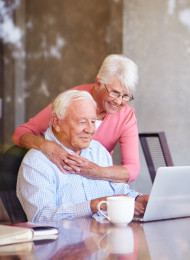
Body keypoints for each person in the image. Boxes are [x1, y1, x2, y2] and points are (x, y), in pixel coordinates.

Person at [17, 90, 148, 222]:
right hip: (65, 241)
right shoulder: (37, 161)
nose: (90, 130)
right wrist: (94, 205)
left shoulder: (98, 151)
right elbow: (41, 216)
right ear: (57, 122)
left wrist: (138, 199)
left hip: (104, 239)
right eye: (82, 122)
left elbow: (118, 190)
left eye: (93, 122)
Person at [13, 54, 139, 183]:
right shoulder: (72, 101)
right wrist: (46, 146)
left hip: (96, 182)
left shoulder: (126, 116)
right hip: (60, 177)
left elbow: (132, 169)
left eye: (126, 96)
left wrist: (96, 171)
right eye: (115, 92)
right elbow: (21, 133)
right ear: (99, 83)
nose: (118, 101)